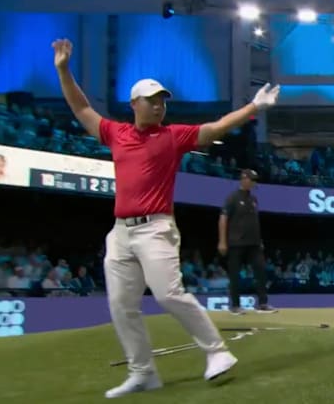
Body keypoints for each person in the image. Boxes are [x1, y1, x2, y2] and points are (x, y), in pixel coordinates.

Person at [51, 38, 280, 399]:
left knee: (169, 294)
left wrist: (254, 106)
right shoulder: (116, 133)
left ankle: (217, 352)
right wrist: (64, 69)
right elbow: (81, 108)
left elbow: (215, 128)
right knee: (121, 306)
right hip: (121, 233)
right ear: (134, 104)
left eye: (162, 101)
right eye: (152, 100)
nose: (159, 106)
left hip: (156, 229)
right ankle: (143, 373)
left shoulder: (172, 136)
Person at [218, 169, 276, 315]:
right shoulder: (232, 198)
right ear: (244, 179)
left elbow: (254, 221)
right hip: (236, 242)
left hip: (254, 243)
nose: (254, 183)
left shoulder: (253, 199)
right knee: (235, 275)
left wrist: (259, 240)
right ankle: (235, 306)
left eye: (255, 180)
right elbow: (223, 219)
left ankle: (262, 304)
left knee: (260, 271)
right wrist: (222, 241)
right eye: (252, 180)